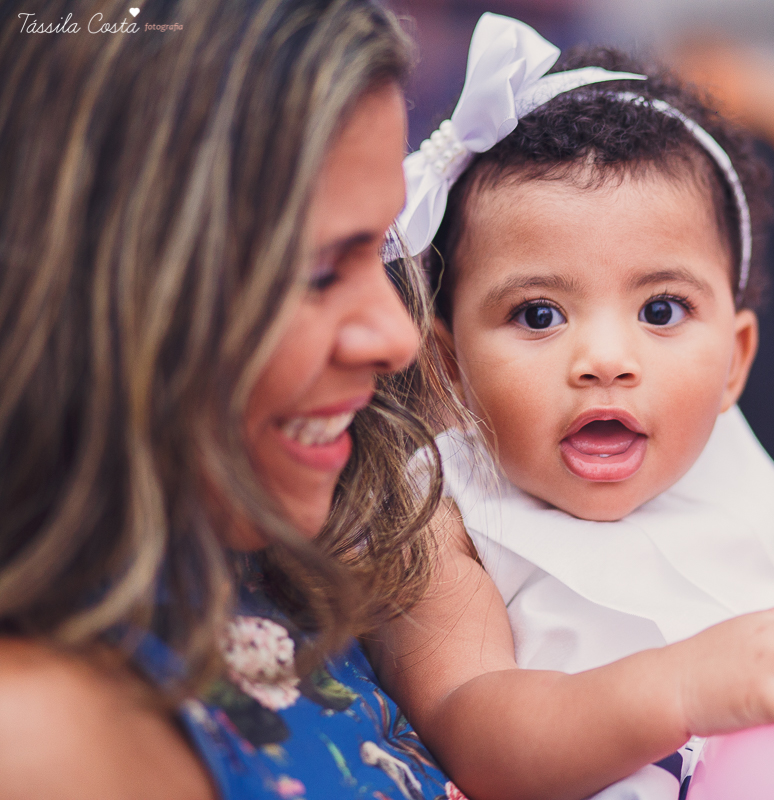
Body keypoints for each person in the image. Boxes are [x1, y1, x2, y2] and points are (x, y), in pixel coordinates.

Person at [371, 15, 774, 800]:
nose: (606, 362)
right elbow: (474, 727)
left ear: (736, 362)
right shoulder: (449, 521)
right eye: (539, 315)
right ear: (450, 365)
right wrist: (679, 689)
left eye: (660, 311)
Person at [0, 1, 464, 797]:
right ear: (100, 286)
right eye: (319, 270)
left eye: (383, 251)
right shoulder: (40, 738)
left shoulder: (294, 560)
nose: (398, 337)